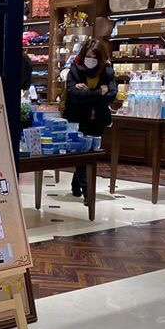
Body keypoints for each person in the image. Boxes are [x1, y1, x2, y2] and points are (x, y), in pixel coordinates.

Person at [63, 39, 117, 205]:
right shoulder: (75, 70)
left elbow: (112, 95)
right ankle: (88, 194)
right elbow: (74, 95)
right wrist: (99, 93)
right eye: (88, 56)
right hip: (78, 119)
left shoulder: (107, 71)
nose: (91, 60)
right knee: (83, 154)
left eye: (94, 57)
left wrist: (87, 92)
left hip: (98, 120)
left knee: (88, 155)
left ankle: (76, 184)